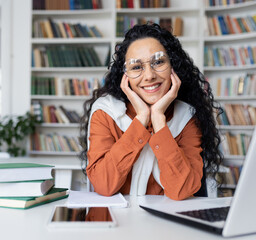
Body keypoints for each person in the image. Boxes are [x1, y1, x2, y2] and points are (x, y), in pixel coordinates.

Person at [79, 23, 223, 201]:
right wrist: (141, 120)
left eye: (158, 62)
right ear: (125, 76)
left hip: (164, 222)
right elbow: (104, 185)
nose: (149, 76)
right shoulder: (105, 112)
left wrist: (158, 120)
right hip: (115, 222)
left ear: (173, 66)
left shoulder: (187, 116)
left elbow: (182, 190)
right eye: (136, 67)